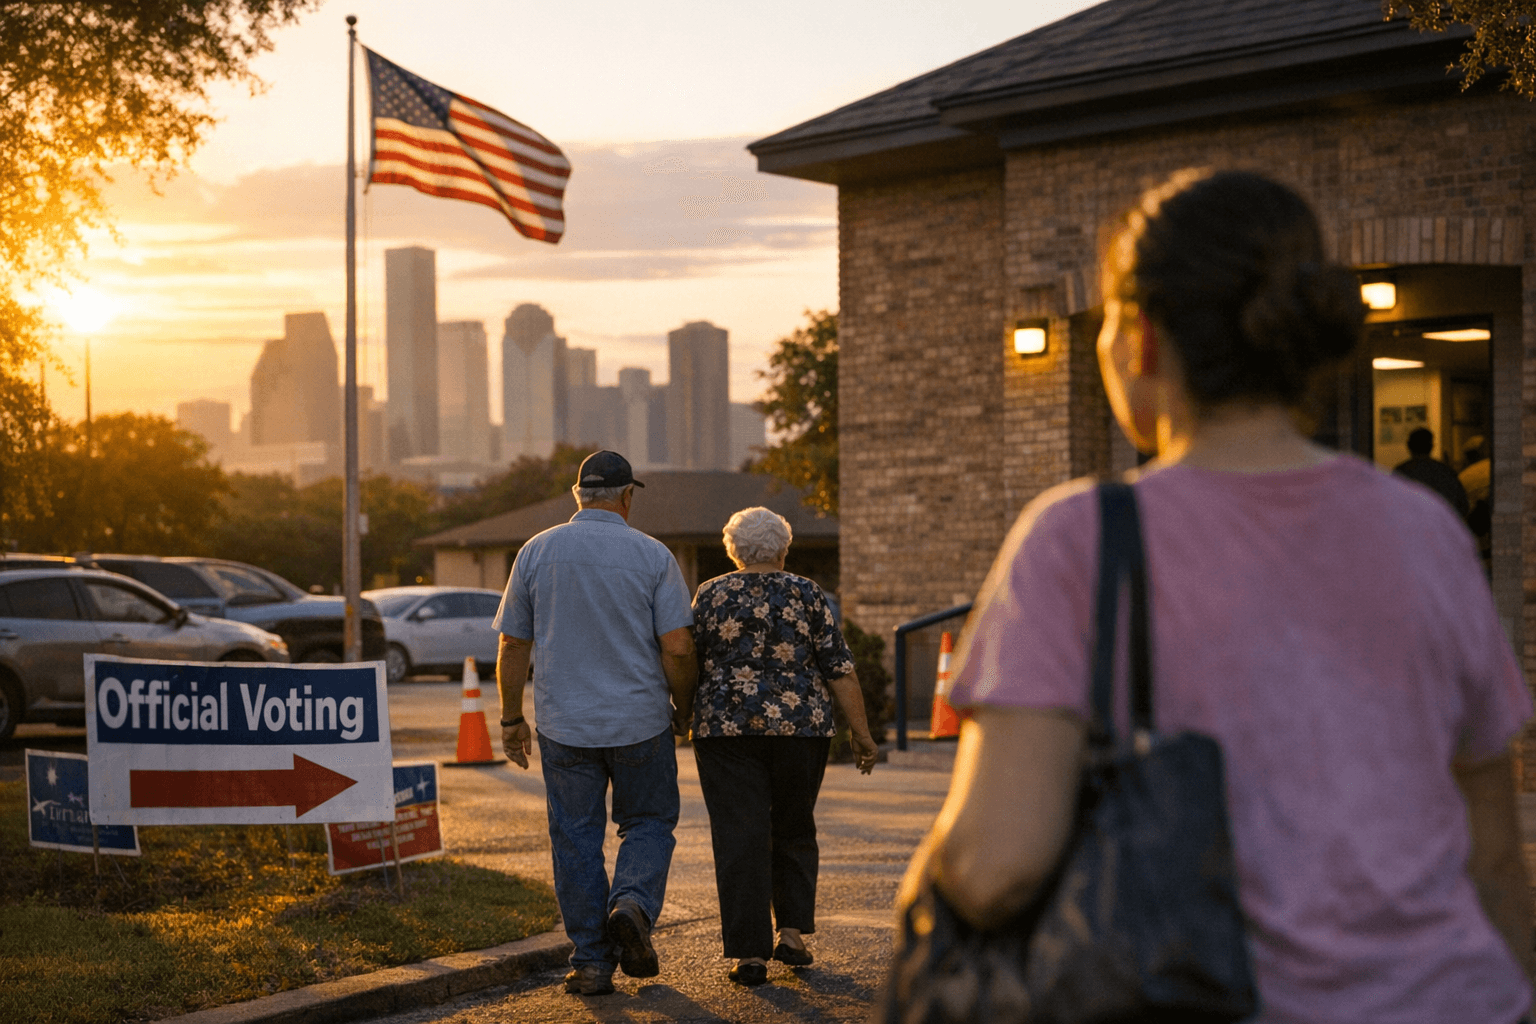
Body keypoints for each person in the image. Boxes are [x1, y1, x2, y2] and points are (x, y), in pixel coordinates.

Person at [898, 170, 1535, 1023]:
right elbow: (1494, 857)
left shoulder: (1083, 536)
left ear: (1142, 338)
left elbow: (995, 864)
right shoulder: (1427, 531)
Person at [494, 449, 699, 997]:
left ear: (577, 495)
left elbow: (513, 642)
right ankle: (631, 904)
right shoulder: (653, 556)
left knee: (576, 839)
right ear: (628, 497)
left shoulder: (537, 551)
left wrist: (512, 718)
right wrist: (687, 707)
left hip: (564, 726)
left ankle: (590, 963)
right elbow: (678, 647)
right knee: (650, 822)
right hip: (641, 720)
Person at [689, 506, 879, 986]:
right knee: (793, 826)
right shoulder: (807, 594)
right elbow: (838, 666)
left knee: (740, 836)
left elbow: (684, 659)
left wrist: (683, 709)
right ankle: (791, 934)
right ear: (783, 548)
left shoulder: (710, 595)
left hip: (726, 731)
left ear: (734, 550)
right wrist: (861, 732)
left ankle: (749, 954)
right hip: (800, 727)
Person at [1394, 426, 1469, 518]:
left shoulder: (1400, 473)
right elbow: (1462, 506)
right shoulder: (1446, 471)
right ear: (1431, 446)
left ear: (1409, 445)